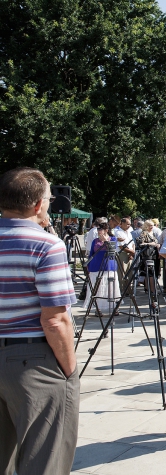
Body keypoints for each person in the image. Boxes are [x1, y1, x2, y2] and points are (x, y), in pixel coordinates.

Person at [0, 167, 79, 475]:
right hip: (32, 360)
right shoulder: (46, 245)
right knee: (44, 459)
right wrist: (69, 372)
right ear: (37, 204)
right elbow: (56, 320)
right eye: (48, 198)